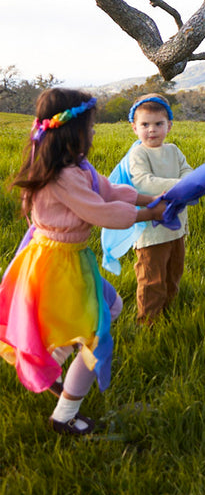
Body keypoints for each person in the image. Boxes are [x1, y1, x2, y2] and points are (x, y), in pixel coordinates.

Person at [0, 88, 165, 435]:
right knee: (94, 338)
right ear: (71, 131)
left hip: (65, 258)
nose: (92, 133)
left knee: (111, 305)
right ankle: (65, 414)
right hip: (58, 264)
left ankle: (54, 366)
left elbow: (107, 190)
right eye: (89, 127)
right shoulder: (62, 176)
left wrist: (153, 198)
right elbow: (100, 211)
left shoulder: (76, 166)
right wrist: (149, 213)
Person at [123, 94, 192, 325]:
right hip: (151, 231)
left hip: (176, 228)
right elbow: (143, 181)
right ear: (134, 128)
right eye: (145, 124)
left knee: (173, 273)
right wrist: (181, 187)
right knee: (152, 278)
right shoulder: (139, 153)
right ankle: (149, 323)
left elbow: (187, 172)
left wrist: (189, 183)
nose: (151, 130)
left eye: (158, 124)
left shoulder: (173, 151)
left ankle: (169, 313)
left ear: (169, 126)